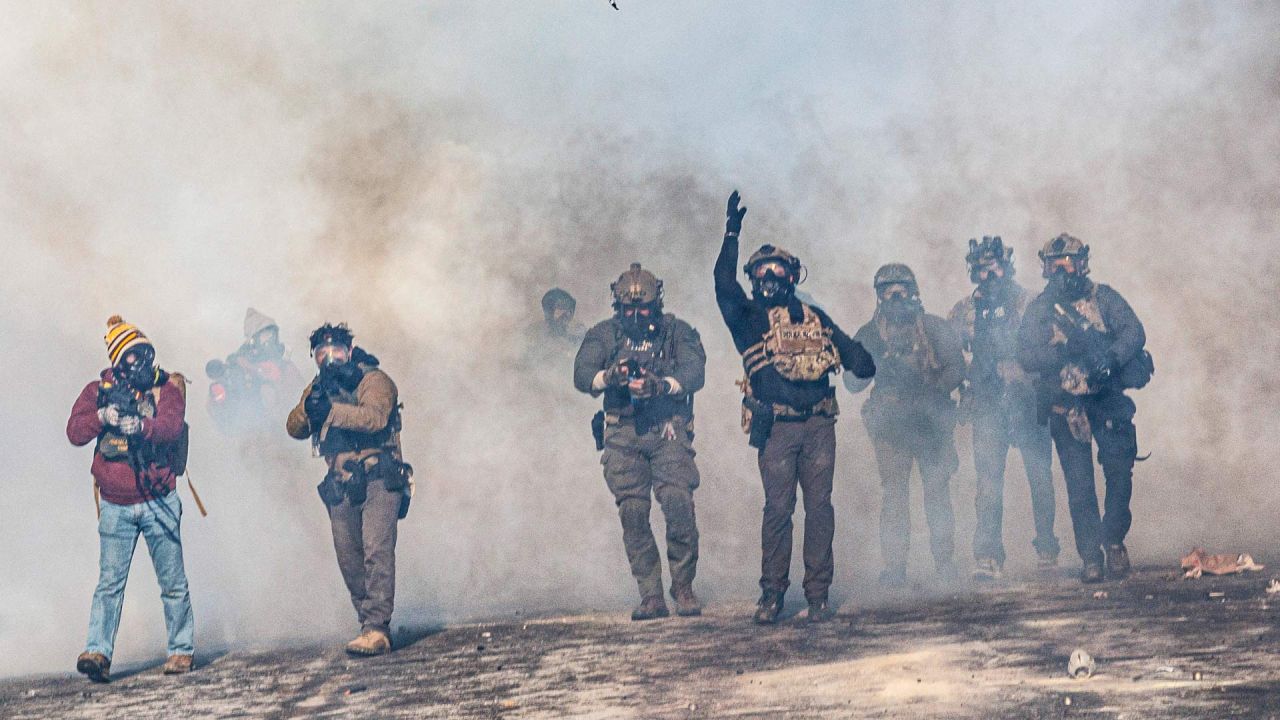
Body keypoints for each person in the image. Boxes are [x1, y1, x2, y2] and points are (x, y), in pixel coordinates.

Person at [714, 191, 875, 624]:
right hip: (777, 428)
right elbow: (722, 284)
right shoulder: (745, 317)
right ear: (752, 277)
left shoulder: (814, 317)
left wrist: (861, 355)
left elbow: (859, 360)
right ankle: (772, 596)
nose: (769, 276)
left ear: (791, 275)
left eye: (778, 269)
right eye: (761, 270)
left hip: (820, 423)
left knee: (820, 508)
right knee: (778, 511)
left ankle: (818, 595)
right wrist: (731, 234)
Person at [573, 264, 707, 621]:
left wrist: (663, 385)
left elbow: (695, 372)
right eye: (628, 309)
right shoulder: (604, 334)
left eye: (643, 308)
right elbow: (582, 374)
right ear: (617, 306)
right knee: (633, 512)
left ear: (657, 304)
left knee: (678, 501)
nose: (636, 315)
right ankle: (650, 594)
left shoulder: (677, 332)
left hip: (666, 428)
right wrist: (610, 376)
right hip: (622, 432)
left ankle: (683, 586)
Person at [1017, 234, 1151, 583]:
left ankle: (1114, 541)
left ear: (1082, 264)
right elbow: (1025, 353)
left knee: (1120, 473)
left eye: (1067, 263)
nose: (1061, 271)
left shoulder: (1103, 297)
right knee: (1079, 487)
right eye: (1053, 265)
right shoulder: (1040, 309)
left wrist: (1109, 359)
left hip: (1106, 398)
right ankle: (1091, 556)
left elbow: (1134, 333)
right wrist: (1059, 354)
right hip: (1067, 405)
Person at [66, 316, 195, 681]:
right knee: (109, 585)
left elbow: (171, 427)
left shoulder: (166, 388)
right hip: (115, 504)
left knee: (172, 582)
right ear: (119, 361)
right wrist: (101, 417)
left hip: (159, 501)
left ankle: (181, 650)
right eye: (133, 356)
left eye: (146, 354)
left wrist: (142, 427)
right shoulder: (98, 391)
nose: (143, 363)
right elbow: (74, 432)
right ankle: (98, 652)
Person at [286, 323, 413, 654]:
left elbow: (375, 418)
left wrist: (331, 411)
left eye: (336, 351)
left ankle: (376, 627)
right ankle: (366, 621)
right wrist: (309, 407)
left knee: (376, 549)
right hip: (340, 482)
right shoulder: (319, 386)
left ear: (350, 352)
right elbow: (294, 427)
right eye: (321, 353)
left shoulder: (373, 380)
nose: (330, 358)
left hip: (378, 477)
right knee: (349, 557)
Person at [947, 237, 1060, 581]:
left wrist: (1023, 371)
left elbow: (1051, 346)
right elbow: (950, 355)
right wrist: (964, 383)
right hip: (988, 404)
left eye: (993, 266)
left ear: (1006, 266)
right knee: (988, 482)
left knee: (1040, 476)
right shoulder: (964, 310)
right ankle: (987, 554)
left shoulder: (1029, 303)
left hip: (1027, 401)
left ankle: (1046, 547)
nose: (987, 273)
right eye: (980, 268)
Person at [848, 264, 965, 587]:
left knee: (937, 494)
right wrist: (873, 363)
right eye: (888, 290)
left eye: (902, 289)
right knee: (895, 498)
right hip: (891, 428)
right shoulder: (871, 334)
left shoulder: (933, 327)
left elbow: (957, 368)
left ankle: (944, 563)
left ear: (914, 291)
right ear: (879, 296)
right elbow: (852, 383)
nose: (896, 296)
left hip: (931, 425)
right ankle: (896, 568)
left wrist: (932, 388)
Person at [206, 308, 304, 434]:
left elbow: (299, 396)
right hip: (246, 435)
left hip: (280, 431)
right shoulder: (237, 367)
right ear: (253, 339)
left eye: (272, 335)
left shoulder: (284, 366)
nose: (269, 340)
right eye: (265, 336)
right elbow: (217, 408)